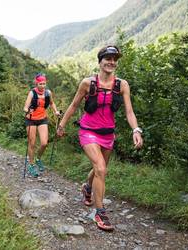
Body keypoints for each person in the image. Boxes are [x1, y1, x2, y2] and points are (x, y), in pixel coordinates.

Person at [56, 45, 143, 231]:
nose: (112, 62)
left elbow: (129, 111)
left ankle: (88, 188)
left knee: (99, 169)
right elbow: (73, 106)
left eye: (115, 59)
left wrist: (136, 129)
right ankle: (100, 212)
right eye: (108, 58)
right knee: (101, 169)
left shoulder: (122, 85)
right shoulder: (88, 83)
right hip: (88, 131)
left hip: (108, 134)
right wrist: (61, 125)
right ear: (100, 61)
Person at [23, 73, 61, 177]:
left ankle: (38, 158)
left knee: (44, 143)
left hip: (42, 119)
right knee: (32, 143)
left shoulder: (48, 93)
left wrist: (56, 111)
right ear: (36, 83)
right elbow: (25, 107)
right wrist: (28, 111)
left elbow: (52, 103)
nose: (42, 86)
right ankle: (31, 165)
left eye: (44, 83)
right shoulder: (32, 93)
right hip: (31, 120)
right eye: (40, 83)